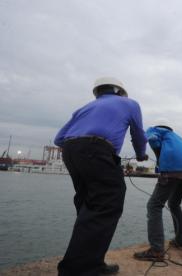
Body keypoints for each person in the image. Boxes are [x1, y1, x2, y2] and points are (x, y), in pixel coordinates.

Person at [54, 77, 148, 275]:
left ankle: (85, 263)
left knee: (87, 206)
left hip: (71, 151)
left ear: (97, 92)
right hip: (96, 149)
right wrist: (141, 155)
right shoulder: (130, 104)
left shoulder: (84, 108)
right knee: (107, 203)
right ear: (120, 91)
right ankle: (83, 269)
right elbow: (138, 133)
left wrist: (80, 146)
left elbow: (58, 139)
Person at [134, 124, 182, 262]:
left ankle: (156, 250)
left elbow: (151, 139)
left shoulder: (154, 130)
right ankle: (181, 241)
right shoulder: (176, 136)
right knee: (174, 203)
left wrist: (157, 155)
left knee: (154, 206)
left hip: (172, 171)